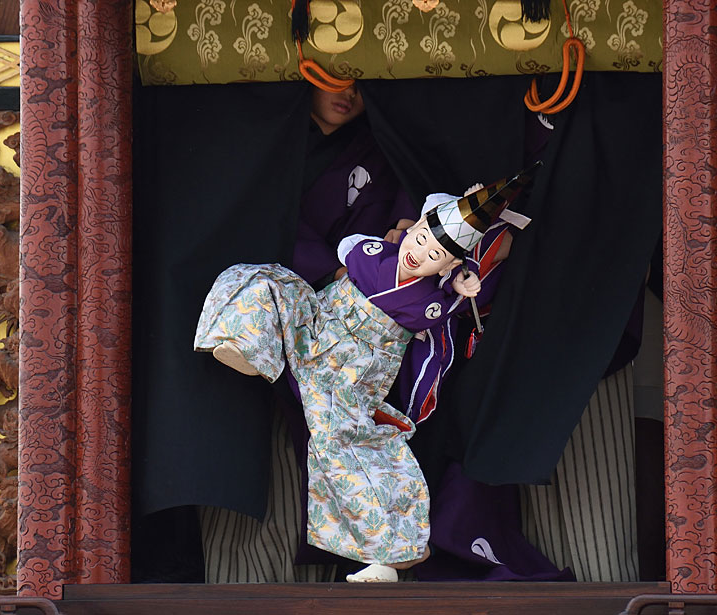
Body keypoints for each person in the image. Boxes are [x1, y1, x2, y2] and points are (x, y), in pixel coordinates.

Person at [195, 171, 533, 582]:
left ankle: (389, 553)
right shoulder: (376, 252)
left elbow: (449, 324)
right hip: (319, 321)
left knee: (341, 450)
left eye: (434, 256)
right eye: (421, 238)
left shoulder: (430, 302)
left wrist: (465, 281)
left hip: (351, 370)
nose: (419, 253)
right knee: (262, 278)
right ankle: (249, 348)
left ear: (449, 266)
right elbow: (347, 247)